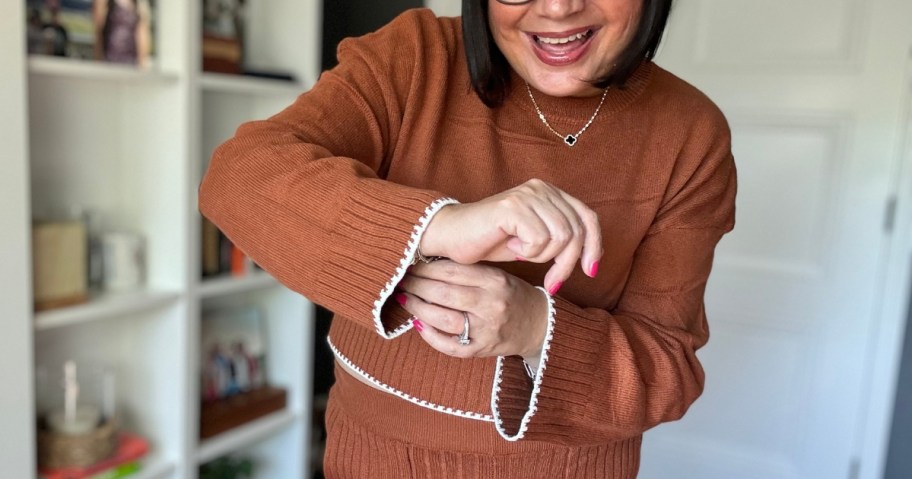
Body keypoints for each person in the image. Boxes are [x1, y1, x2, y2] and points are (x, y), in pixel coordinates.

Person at [199, 0, 736, 477]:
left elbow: (667, 370)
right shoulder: (417, 56)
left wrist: (532, 327)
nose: (557, 8)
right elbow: (238, 178)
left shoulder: (689, 131)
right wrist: (441, 226)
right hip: (372, 456)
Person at [93, 0, 152, 66]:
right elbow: (99, 32)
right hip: (109, 60)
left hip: (131, 62)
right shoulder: (105, 2)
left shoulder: (139, 4)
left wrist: (142, 62)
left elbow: (142, 36)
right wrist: (98, 61)